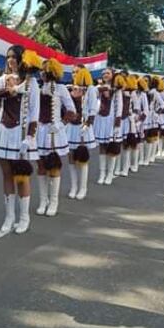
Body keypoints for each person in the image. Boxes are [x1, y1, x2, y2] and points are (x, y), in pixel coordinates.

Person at [0, 46, 42, 234]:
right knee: (6, 174)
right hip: (3, 131)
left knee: (22, 176)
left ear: (21, 60)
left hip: (21, 133)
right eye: (8, 57)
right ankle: (9, 216)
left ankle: (24, 217)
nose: (10, 60)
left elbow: (34, 113)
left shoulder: (31, 83)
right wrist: (6, 91)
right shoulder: (3, 78)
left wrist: (30, 137)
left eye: (14, 57)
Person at [35, 58, 75, 216]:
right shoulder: (37, 88)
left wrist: (60, 124)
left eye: (43, 71)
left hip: (54, 133)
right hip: (40, 131)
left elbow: (71, 111)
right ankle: (43, 200)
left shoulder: (61, 89)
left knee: (54, 167)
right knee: (41, 167)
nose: (41, 73)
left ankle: (53, 201)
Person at [66, 65, 98, 200]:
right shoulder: (69, 88)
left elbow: (93, 108)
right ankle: (73, 186)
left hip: (83, 126)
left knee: (82, 157)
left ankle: (83, 188)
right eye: (73, 72)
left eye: (77, 72)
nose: (74, 74)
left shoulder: (90, 89)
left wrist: (88, 124)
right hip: (71, 127)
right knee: (71, 158)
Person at [93, 68, 123, 185]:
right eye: (103, 73)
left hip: (111, 120)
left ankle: (110, 174)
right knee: (102, 147)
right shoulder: (99, 88)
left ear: (112, 75)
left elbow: (119, 106)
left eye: (108, 73)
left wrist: (117, 123)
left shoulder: (117, 89)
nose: (105, 75)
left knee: (111, 147)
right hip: (101, 118)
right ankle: (102, 173)